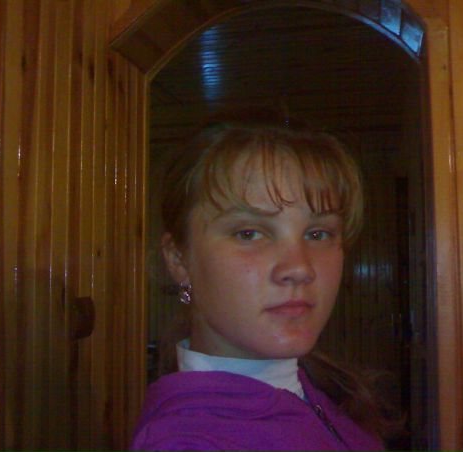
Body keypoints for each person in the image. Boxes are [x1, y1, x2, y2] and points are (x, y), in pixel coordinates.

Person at [130, 108, 396, 452]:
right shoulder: (188, 442)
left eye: (318, 233)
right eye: (249, 233)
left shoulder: (312, 385)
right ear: (179, 260)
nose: (300, 268)